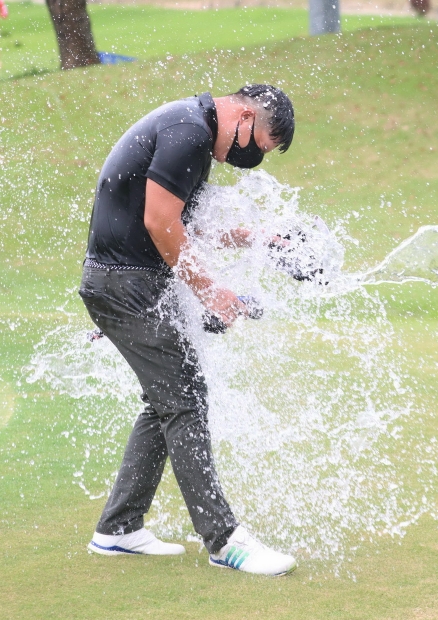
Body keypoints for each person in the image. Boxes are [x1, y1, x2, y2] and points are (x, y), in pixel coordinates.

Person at [81, 85, 298, 576]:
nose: (253, 158)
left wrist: (260, 239)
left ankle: (118, 529)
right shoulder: (188, 133)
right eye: (259, 144)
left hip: (128, 283)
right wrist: (212, 293)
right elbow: (160, 222)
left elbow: (185, 225)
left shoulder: (190, 129)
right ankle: (224, 541)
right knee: (185, 400)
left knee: (168, 400)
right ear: (244, 116)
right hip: (123, 285)